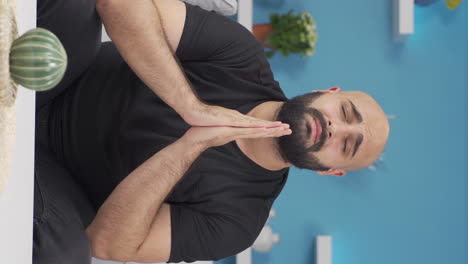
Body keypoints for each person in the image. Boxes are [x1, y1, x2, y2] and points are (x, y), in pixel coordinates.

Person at [33, 0, 390, 263]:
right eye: (344, 112)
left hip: (56, 186)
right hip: (63, 75)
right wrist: (190, 107)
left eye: (347, 144)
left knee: (65, 255)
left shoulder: (240, 221)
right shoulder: (243, 56)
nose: (334, 128)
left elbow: (109, 244)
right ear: (328, 93)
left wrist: (187, 148)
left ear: (330, 170)